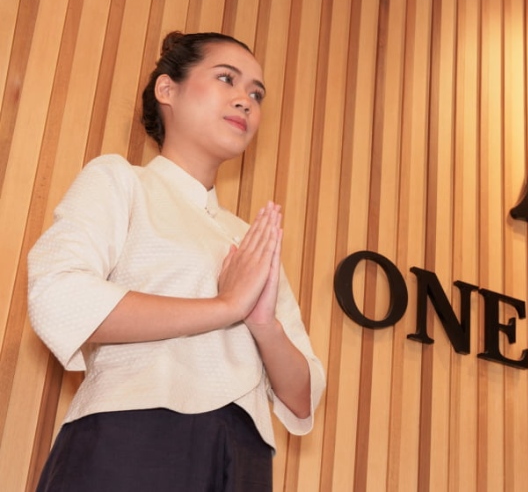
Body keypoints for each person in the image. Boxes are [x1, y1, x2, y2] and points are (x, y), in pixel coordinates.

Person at [28, 31, 326, 491]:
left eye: (256, 94)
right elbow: (59, 297)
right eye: (226, 78)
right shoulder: (122, 181)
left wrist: (264, 323)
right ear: (167, 90)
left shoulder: (251, 238)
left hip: (245, 455)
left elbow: (302, 397)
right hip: (131, 432)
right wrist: (225, 307)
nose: (245, 101)